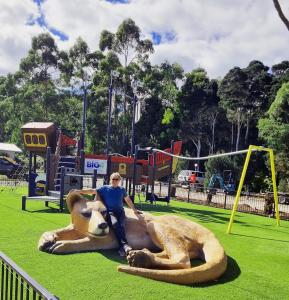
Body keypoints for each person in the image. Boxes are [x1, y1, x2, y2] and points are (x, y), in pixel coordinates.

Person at [77, 172, 141, 257]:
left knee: (121, 225)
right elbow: (92, 191)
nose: (114, 181)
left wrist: (134, 210)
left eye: (116, 179)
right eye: (113, 179)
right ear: (110, 180)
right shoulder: (105, 188)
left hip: (120, 212)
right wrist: (79, 191)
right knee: (115, 224)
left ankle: (122, 248)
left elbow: (128, 200)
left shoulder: (122, 189)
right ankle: (125, 245)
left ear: (119, 180)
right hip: (111, 212)